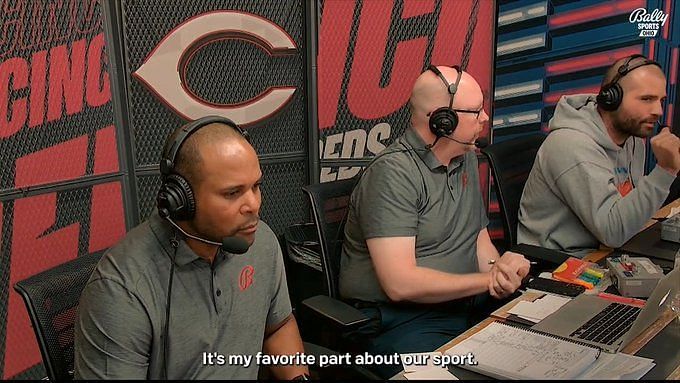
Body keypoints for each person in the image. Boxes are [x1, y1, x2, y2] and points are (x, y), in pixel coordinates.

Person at [74, 116, 309, 380]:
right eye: (232, 193)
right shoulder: (120, 290)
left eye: (256, 186)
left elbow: (277, 326)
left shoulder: (261, 241)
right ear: (181, 200)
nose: (253, 205)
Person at [339, 66, 530, 377]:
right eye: (475, 111)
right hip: (406, 322)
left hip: (465, 305)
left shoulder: (465, 156)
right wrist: (486, 281)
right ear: (443, 121)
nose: (485, 118)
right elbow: (399, 284)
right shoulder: (393, 174)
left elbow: (478, 241)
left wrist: (501, 271)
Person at [518, 55, 679, 257]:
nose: (658, 111)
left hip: (604, 249)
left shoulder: (634, 138)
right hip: (557, 263)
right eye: (646, 99)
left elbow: (623, 214)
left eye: (661, 100)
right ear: (611, 98)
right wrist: (665, 170)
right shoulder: (571, 145)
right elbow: (613, 232)